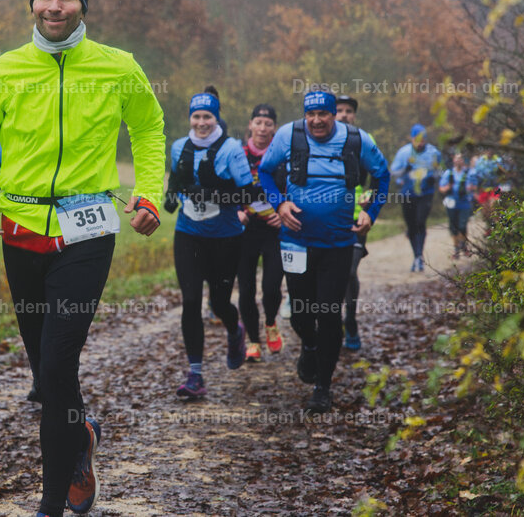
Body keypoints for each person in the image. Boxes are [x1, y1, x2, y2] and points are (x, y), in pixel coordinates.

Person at [0, 0, 165, 517]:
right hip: (20, 231)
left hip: (87, 230)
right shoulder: (1, 71)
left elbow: (148, 130)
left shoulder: (118, 67)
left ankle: (50, 504)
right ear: (31, 4)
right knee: (48, 375)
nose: (55, 6)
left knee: (55, 362)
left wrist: (148, 195)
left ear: (82, 6)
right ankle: (80, 440)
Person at [258, 90, 390, 413]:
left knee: (329, 313)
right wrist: (280, 203)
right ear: (305, 115)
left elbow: (383, 176)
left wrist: (369, 214)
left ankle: (322, 387)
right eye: (311, 114)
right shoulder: (288, 134)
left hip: (338, 243)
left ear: (334, 115)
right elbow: (264, 172)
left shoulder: (357, 140)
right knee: (301, 314)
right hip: (296, 241)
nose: (316, 120)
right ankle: (310, 344)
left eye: (324, 114)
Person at [164, 87, 255, 398]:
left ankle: (235, 330)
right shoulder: (178, 147)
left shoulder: (232, 149)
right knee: (190, 301)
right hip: (188, 233)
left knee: (219, 304)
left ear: (216, 118)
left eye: (207, 117)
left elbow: (248, 195)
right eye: (196, 116)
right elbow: (175, 178)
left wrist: (214, 195)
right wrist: (170, 197)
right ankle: (195, 375)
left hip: (226, 238)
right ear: (190, 118)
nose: (201, 122)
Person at [235, 103, 284, 362]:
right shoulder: (238, 154)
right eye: (258, 123)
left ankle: (270, 322)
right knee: (246, 288)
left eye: (268, 124)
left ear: (274, 128)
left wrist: (283, 209)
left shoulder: (281, 154)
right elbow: (226, 185)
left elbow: (292, 185)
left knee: (272, 286)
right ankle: (253, 340)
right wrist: (236, 211)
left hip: (274, 228)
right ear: (250, 125)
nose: (263, 128)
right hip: (245, 229)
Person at [334, 95, 372, 351]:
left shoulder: (363, 140)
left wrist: (372, 203)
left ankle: (350, 320)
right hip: (328, 216)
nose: (344, 115)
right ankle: (330, 321)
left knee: (348, 271)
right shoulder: (319, 140)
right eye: (339, 110)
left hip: (356, 215)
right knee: (330, 272)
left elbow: (379, 174)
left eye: (349, 111)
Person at [389, 124, 444, 272]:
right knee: (412, 226)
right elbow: (393, 173)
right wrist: (404, 170)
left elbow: (441, 171)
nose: (420, 143)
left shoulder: (434, 152)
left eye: (423, 139)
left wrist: (435, 177)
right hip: (407, 194)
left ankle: (419, 256)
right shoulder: (403, 152)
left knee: (420, 222)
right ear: (412, 139)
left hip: (425, 193)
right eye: (417, 140)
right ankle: (417, 256)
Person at [439, 152, 477, 259]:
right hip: (451, 202)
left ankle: (463, 246)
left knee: (462, 225)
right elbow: (441, 188)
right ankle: (456, 250)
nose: (458, 160)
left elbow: (475, 186)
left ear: (463, 161)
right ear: (453, 160)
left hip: (464, 203)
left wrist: (470, 188)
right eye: (457, 158)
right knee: (453, 227)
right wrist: (448, 187)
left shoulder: (469, 173)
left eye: (461, 158)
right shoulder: (448, 173)